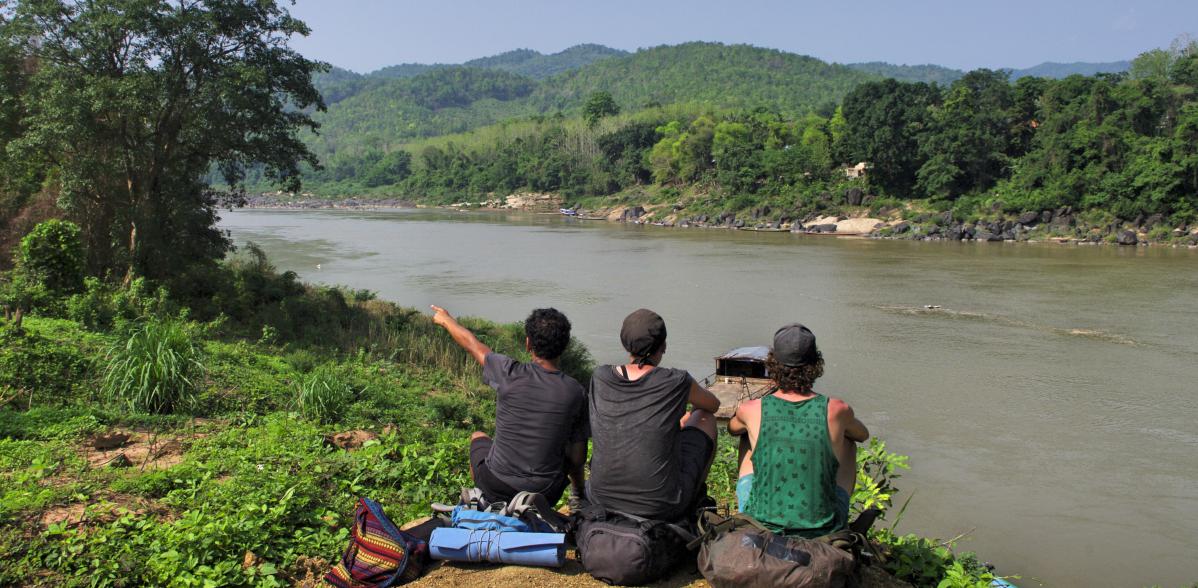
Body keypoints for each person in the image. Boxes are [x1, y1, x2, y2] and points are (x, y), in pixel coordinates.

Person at [431, 305, 587, 505]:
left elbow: (473, 345)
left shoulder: (509, 373)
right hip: (545, 493)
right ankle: (572, 501)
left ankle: (484, 499)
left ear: (528, 343)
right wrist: (579, 491)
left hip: (496, 485)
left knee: (478, 437)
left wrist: (446, 320)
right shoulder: (575, 391)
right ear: (565, 345)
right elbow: (577, 458)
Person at [729, 323, 869, 538]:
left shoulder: (751, 409)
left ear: (773, 364)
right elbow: (862, 435)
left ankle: (750, 509)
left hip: (761, 524)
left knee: (747, 435)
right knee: (849, 441)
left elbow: (732, 428)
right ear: (815, 365)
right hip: (823, 527)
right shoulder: (837, 409)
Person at [586, 308, 721, 520]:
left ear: (624, 344)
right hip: (661, 505)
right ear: (664, 346)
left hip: (600, 497)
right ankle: (691, 500)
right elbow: (712, 405)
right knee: (705, 417)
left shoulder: (600, 376)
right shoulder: (676, 381)